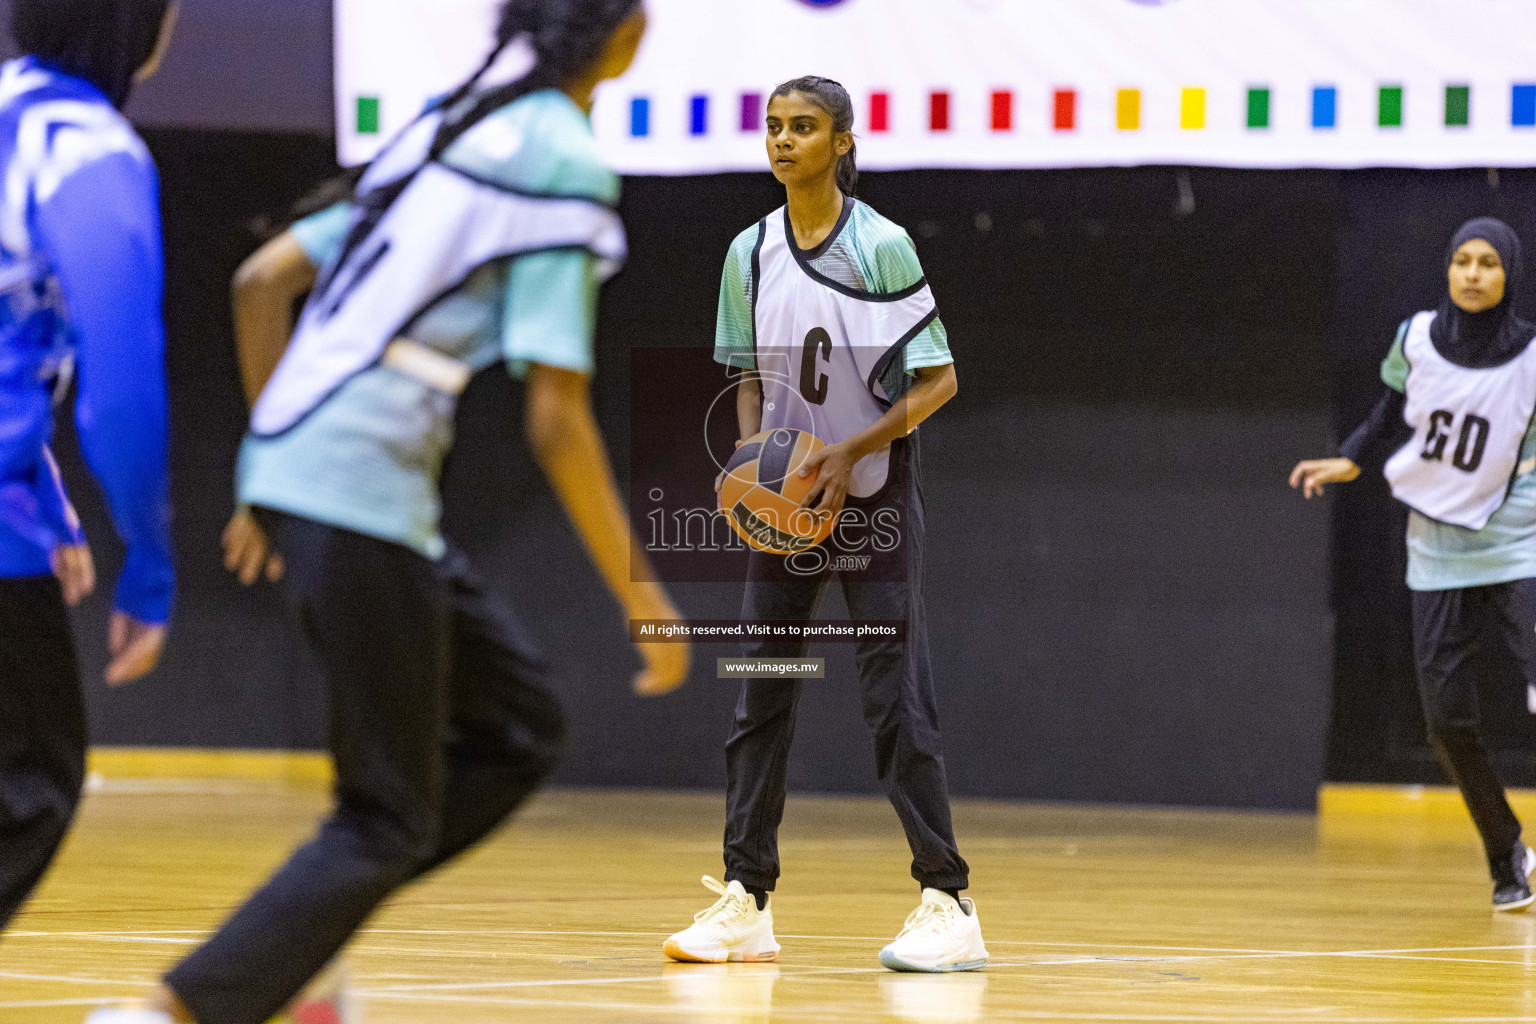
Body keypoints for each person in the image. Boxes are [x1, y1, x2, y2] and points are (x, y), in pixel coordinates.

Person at [86, 2, 689, 1022]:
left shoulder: (446, 121)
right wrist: (646, 595)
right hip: (361, 484)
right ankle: (172, 1010)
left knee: (520, 724)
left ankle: (302, 937)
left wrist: (271, 465)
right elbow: (557, 419)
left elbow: (260, 282)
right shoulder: (561, 157)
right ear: (626, 37)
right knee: (385, 815)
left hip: (314, 467)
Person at [662, 76, 986, 973]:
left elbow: (939, 380)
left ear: (842, 142)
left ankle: (948, 900)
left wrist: (849, 453)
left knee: (894, 699)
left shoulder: (880, 245)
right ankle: (746, 900)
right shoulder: (749, 252)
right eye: (773, 127)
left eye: (802, 127)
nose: (782, 140)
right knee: (761, 691)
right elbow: (751, 382)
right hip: (792, 500)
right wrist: (758, 465)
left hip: (872, 496)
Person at [1291, 216, 1536, 912]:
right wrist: (1353, 455)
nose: (1473, 273)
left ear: (1509, 274)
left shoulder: (1532, 358)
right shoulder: (1418, 338)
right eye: (1462, 259)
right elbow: (1395, 407)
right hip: (1437, 552)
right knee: (1447, 724)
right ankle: (1506, 852)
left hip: (1518, 544)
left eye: (1489, 262)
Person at [0, 0, 178, 936]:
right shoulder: (85, 148)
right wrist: (148, 561)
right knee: (31, 782)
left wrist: (41, 496)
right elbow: (123, 390)